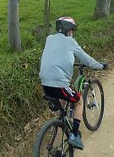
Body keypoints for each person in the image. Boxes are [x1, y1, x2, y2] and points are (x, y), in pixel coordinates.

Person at [39, 17, 107, 150]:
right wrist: (99, 66)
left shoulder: (49, 39)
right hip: (60, 85)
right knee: (79, 101)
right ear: (69, 31)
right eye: (72, 31)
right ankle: (75, 135)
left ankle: (62, 121)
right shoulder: (71, 42)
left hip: (45, 84)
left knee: (65, 97)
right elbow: (86, 59)